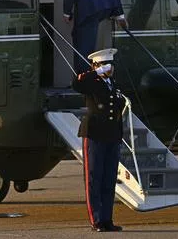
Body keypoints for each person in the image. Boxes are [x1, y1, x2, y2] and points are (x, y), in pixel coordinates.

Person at [72, 48, 125, 232]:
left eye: (110, 65)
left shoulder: (113, 84)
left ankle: (107, 219)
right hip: (95, 134)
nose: (109, 69)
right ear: (96, 66)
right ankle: (96, 220)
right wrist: (95, 72)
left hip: (112, 135)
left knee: (109, 179)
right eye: (105, 65)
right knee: (94, 179)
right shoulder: (92, 82)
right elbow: (76, 84)